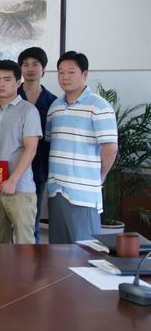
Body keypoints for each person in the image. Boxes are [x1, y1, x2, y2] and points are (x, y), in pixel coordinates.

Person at [46, 51, 118, 244]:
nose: (65, 77)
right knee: (58, 250)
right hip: (56, 189)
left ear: (84, 74)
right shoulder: (55, 107)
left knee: (86, 251)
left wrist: (101, 175)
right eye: (61, 72)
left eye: (71, 71)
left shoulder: (99, 106)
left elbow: (110, 147)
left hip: (83, 192)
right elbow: (50, 142)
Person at [0, 60, 41, 244]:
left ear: (18, 82)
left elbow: (31, 149)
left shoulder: (29, 111)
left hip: (20, 189)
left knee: (24, 244)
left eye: (7, 79)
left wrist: (13, 180)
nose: (1, 84)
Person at [17, 47, 57, 244]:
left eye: (35, 64)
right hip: (11, 165)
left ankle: (32, 258)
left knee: (32, 222)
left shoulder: (53, 102)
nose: (30, 69)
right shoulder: (10, 96)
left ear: (44, 69)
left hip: (38, 166)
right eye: (25, 64)